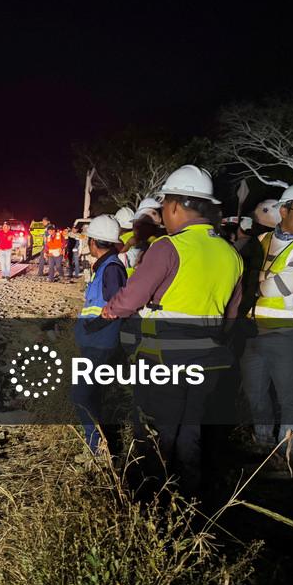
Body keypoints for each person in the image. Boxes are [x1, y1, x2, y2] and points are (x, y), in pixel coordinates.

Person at [102, 165, 243, 494]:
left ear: (177, 206)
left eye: (165, 205)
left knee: (155, 432)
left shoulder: (167, 247)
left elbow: (131, 298)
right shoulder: (231, 254)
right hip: (208, 361)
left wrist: (110, 311)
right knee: (190, 432)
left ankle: (151, 501)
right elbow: (231, 314)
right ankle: (187, 498)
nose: (164, 213)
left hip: (163, 360)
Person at [241, 183, 293, 477]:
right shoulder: (262, 240)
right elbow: (249, 281)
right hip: (254, 332)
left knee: (289, 398)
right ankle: (263, 444)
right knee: (255, 393)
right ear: (283, 210)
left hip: (288, 335)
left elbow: (280, 286)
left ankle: (285, 459)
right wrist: (265, 282)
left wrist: (258, 281)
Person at [72, 215, 127, 451]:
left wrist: (91, 327)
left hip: (100, 342)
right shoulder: (106, 266)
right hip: (96, 341)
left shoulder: (111, 268)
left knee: (81, 395)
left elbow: (116, 305)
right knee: (91, 394)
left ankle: (97, 446)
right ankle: (99, 443)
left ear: (94, 242)